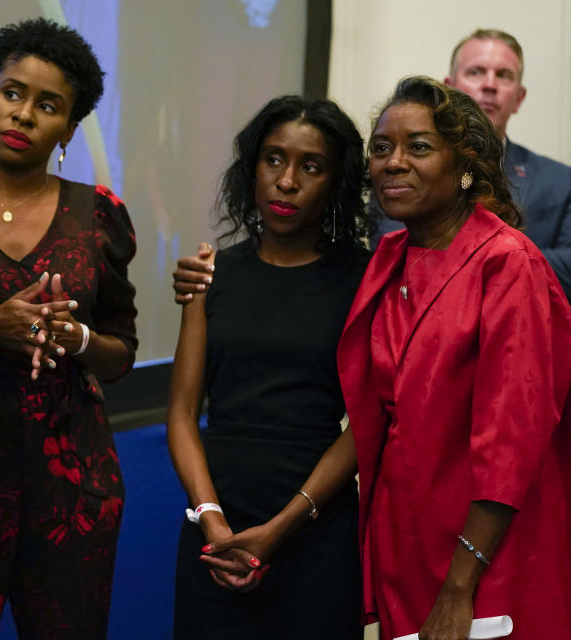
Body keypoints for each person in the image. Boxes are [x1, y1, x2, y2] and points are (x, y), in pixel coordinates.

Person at [0, 18, 137, 639]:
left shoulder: (100, 216)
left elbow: (121, 353)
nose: (24, 115)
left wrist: (78, 340)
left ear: (68, 125)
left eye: (48, 105)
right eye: (12, 93)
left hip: (71, 484)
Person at [338, 76, 571, 640]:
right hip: (405, 539)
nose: (393, 162)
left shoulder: (507, 262)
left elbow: (512, 441)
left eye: (418, 147)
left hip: (487, 553)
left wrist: (459, 586)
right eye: (381, 147)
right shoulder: (391, 256)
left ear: (465, 164)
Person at [166, 96, 373, 639]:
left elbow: (368, 421)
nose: (286, 181)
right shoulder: (209, 275)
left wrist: (281, 528)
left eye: (311, 166)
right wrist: (212, 520)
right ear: (252, 167)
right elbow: (184, 415)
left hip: (316, 524)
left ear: (336, 182)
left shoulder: (363, 279)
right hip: (216, 526)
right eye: (274, 159)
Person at [376, 29, 571, 296]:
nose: (489, 85)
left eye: (503, 75)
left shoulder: (560, 181)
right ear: (449, 88)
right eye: (476, 72)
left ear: (519, 98)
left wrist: (493, 262)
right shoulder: (402, 168)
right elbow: (390, 247)